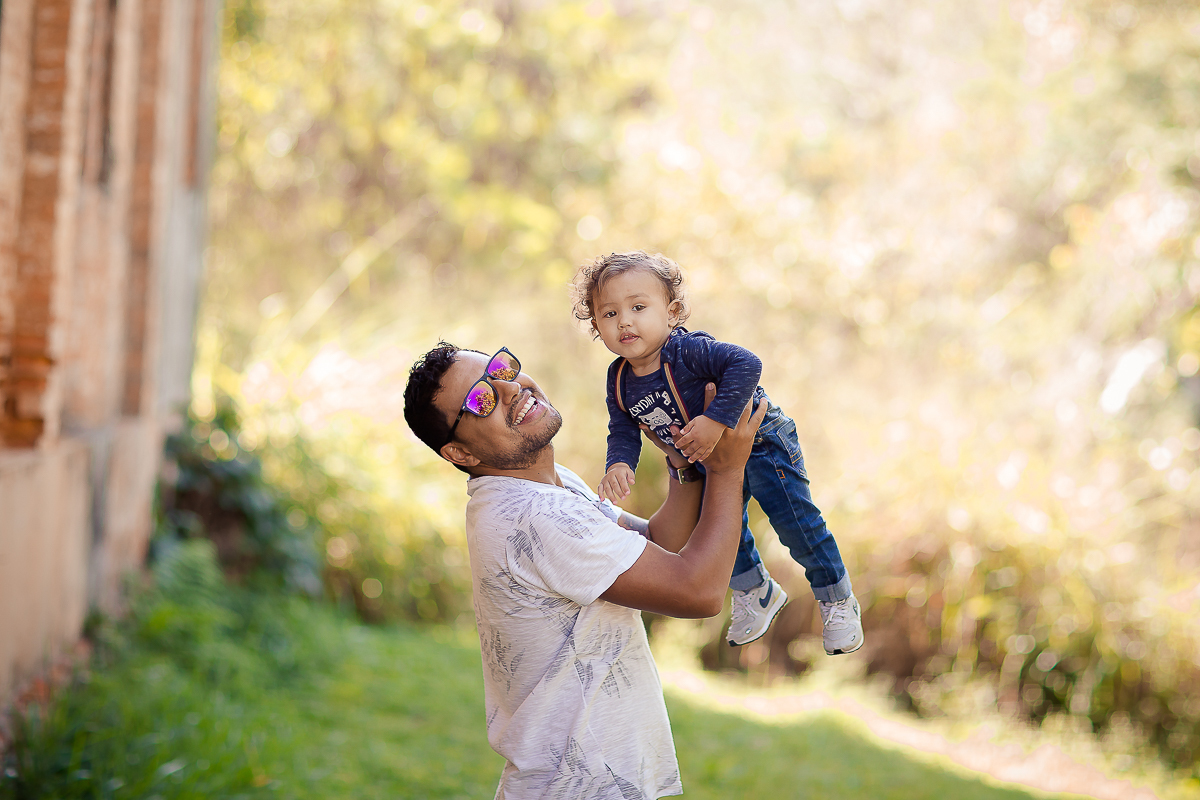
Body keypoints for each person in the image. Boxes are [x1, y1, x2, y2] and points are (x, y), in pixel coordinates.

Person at [403, 341, 766, 800]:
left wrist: (683, 464)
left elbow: (655, 545)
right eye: (482, 400)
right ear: (461, 454)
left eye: (501, 370)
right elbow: (698, 592)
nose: (510, 389)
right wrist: (728, 472)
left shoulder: (546, 488)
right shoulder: (533, 515)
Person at [570, 250, 864, 653]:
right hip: (706, 459)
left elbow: (746, 363)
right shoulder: (619, 378)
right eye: (609, 314)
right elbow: (622, 426)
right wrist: (619, 462)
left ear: (672, 313)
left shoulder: (686, 351)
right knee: (721, 529)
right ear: (595, 326)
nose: (624, 321)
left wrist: (715, 420)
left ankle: (837, 597)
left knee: (794, 522)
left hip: (760, 441)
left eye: (638, 307)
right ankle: (755, 591)